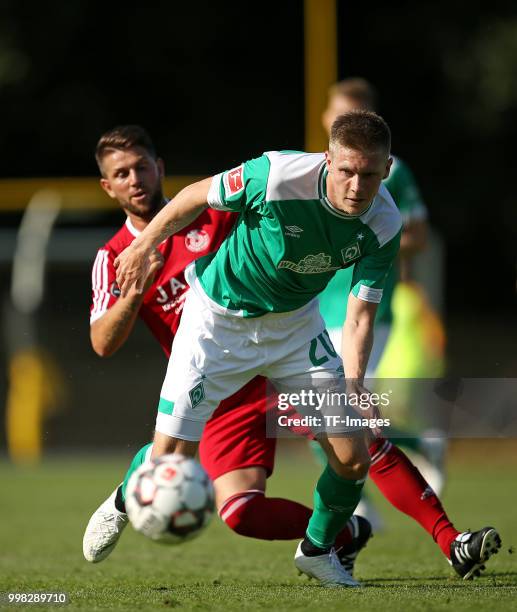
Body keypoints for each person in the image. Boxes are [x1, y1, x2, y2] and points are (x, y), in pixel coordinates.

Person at [111, 114, 501, 586]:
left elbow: (360, 316)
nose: (358, 186)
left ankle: (317, 550)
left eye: (371, 175)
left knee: (353, 451)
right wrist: (142, 245)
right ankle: (118, 502)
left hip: (296, 330)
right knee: (169, 459)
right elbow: (195, 195)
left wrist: (354, 384)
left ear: (388, 168)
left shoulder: (384, 222)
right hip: (218, 323)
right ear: (328, 160)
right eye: (347, 172)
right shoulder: (276, 175)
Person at [83, 125, 372, 580]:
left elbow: (266, 223)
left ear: (159, 168)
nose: (135, 178)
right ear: (107, 186)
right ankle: (127, 496)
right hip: (215, 366)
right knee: (236, 511)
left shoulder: (211, 215)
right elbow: (102, 343)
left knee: (360, 438)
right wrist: (134, 292)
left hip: (278, 353)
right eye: (122, 173)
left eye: (142, 167)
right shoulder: (114, 255)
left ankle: (446, 538)